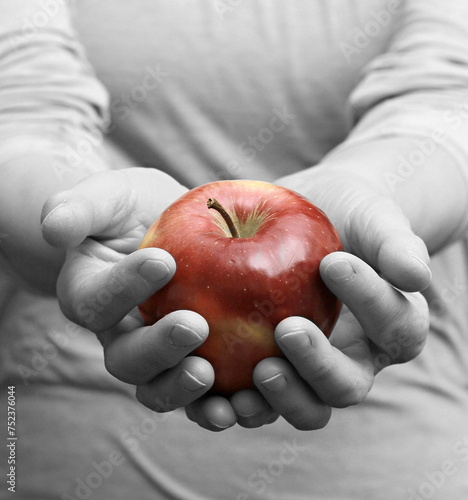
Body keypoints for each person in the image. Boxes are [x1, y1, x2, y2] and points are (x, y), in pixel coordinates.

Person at [1, 0, 468, 498]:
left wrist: (371, 193)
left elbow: (447, 102)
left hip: (391, 467)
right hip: (64, 459)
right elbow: (21, 108)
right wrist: (77, 212)